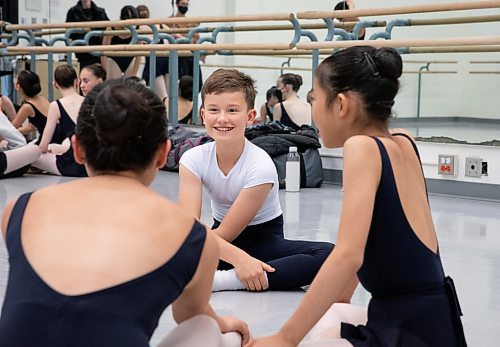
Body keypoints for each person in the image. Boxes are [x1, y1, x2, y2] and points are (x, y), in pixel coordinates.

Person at [0, 78, 249, 346]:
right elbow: (192, 315)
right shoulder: (193, 235)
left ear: (77, 149)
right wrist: (226, 328)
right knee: (206, 328)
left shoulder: (19, 210)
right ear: (163, 153)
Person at [248, 46, 467, 347]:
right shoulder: (404, 141)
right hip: (435, 321)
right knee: (332, 314)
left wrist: (285, 338)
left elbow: (348, 255)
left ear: (341, 104)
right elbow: (362, 245)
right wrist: (336, 302)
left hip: (408, 331)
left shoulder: (362, 147)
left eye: (314, 99)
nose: (313, 111)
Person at [178, 69, 333, 292]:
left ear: (250, 117)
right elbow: (189, 227)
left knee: (330, 255)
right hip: (219, 238)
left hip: (264, 240)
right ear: (203, 115)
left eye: (232, 110)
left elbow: (224, 234)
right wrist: (239, 259)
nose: (222, 118)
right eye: (214, 110)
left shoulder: (260, 165)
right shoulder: (192, 159)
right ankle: (245, 272)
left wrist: (241, 260)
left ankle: (225, 281)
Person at [31, 65, 87, 177]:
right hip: (91, 163)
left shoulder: (56, 106)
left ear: (55, 84)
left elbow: (43, 147)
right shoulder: (89, 100)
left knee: (32, 156)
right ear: (77, 82)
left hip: (72, 165)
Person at [138, 4, 171, 100]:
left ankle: (166, 113)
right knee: (170, 96)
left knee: (163, 98)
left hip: (154, 61)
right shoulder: (158, 24)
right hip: (165, 58)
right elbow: (176, 35)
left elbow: (139, 50)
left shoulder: (139, 28)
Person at [65, 0, 109, 70]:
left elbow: (107, 29)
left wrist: (91, 28)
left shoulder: (100, 12)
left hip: (97, 52)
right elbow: (69, 33)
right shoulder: (72, 12)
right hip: (82, 54)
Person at [171, 0, 204, 91]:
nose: (184, 6)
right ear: (177, 4)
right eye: (182, 4)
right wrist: (186, 37)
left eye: (186, 4)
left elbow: (196, 37)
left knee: (198, 84)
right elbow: (171, 37)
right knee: (185, 84)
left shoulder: (190, 22)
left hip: (191, 55)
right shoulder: (170, 21)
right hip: (180, 56)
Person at [101, 6, 142, 79]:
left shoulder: (138, 28)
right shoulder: (112, 28)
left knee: (131, 86)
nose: (131, 26)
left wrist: (134, 73)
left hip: (130, 59)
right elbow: (103, 52)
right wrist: (105, 73)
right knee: (114, 86)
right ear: (121, 19)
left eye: (133, 23)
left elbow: (139, 54)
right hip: (114, 59)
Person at [11, 70, 50, 144]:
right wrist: (17, 131)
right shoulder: (41, 98)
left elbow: (10, 129)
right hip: (56, 138)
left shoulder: (27, 107)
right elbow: (31, 128)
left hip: (48, 141)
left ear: (18, 86)